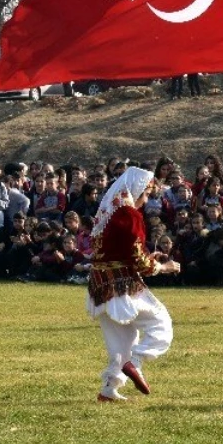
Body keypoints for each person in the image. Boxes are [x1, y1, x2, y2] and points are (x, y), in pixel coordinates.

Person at [86, 167, 181, 402]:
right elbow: (139, 262)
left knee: (122, 341)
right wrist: (166, 267)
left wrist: (150, 256)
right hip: (121, 286)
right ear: (138, 190)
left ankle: (109, 389)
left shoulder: (108, 213)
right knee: (161, 325)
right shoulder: (129, 214)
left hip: (99, 285)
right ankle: (135, 363)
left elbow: (120, 251)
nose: (146, 200)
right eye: (146, 194)